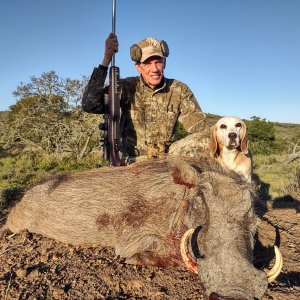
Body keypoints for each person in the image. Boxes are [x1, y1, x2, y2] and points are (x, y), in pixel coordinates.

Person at [82, 33, 207, 161]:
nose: (154, 69)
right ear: (138, 67)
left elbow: (201, 127)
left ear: (164, 63)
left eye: (158, 62)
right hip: (131, 164)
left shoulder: (180, 90)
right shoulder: (125, 87)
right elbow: (89, 104)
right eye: (147, 63)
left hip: (166, 164)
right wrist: (106, 60)